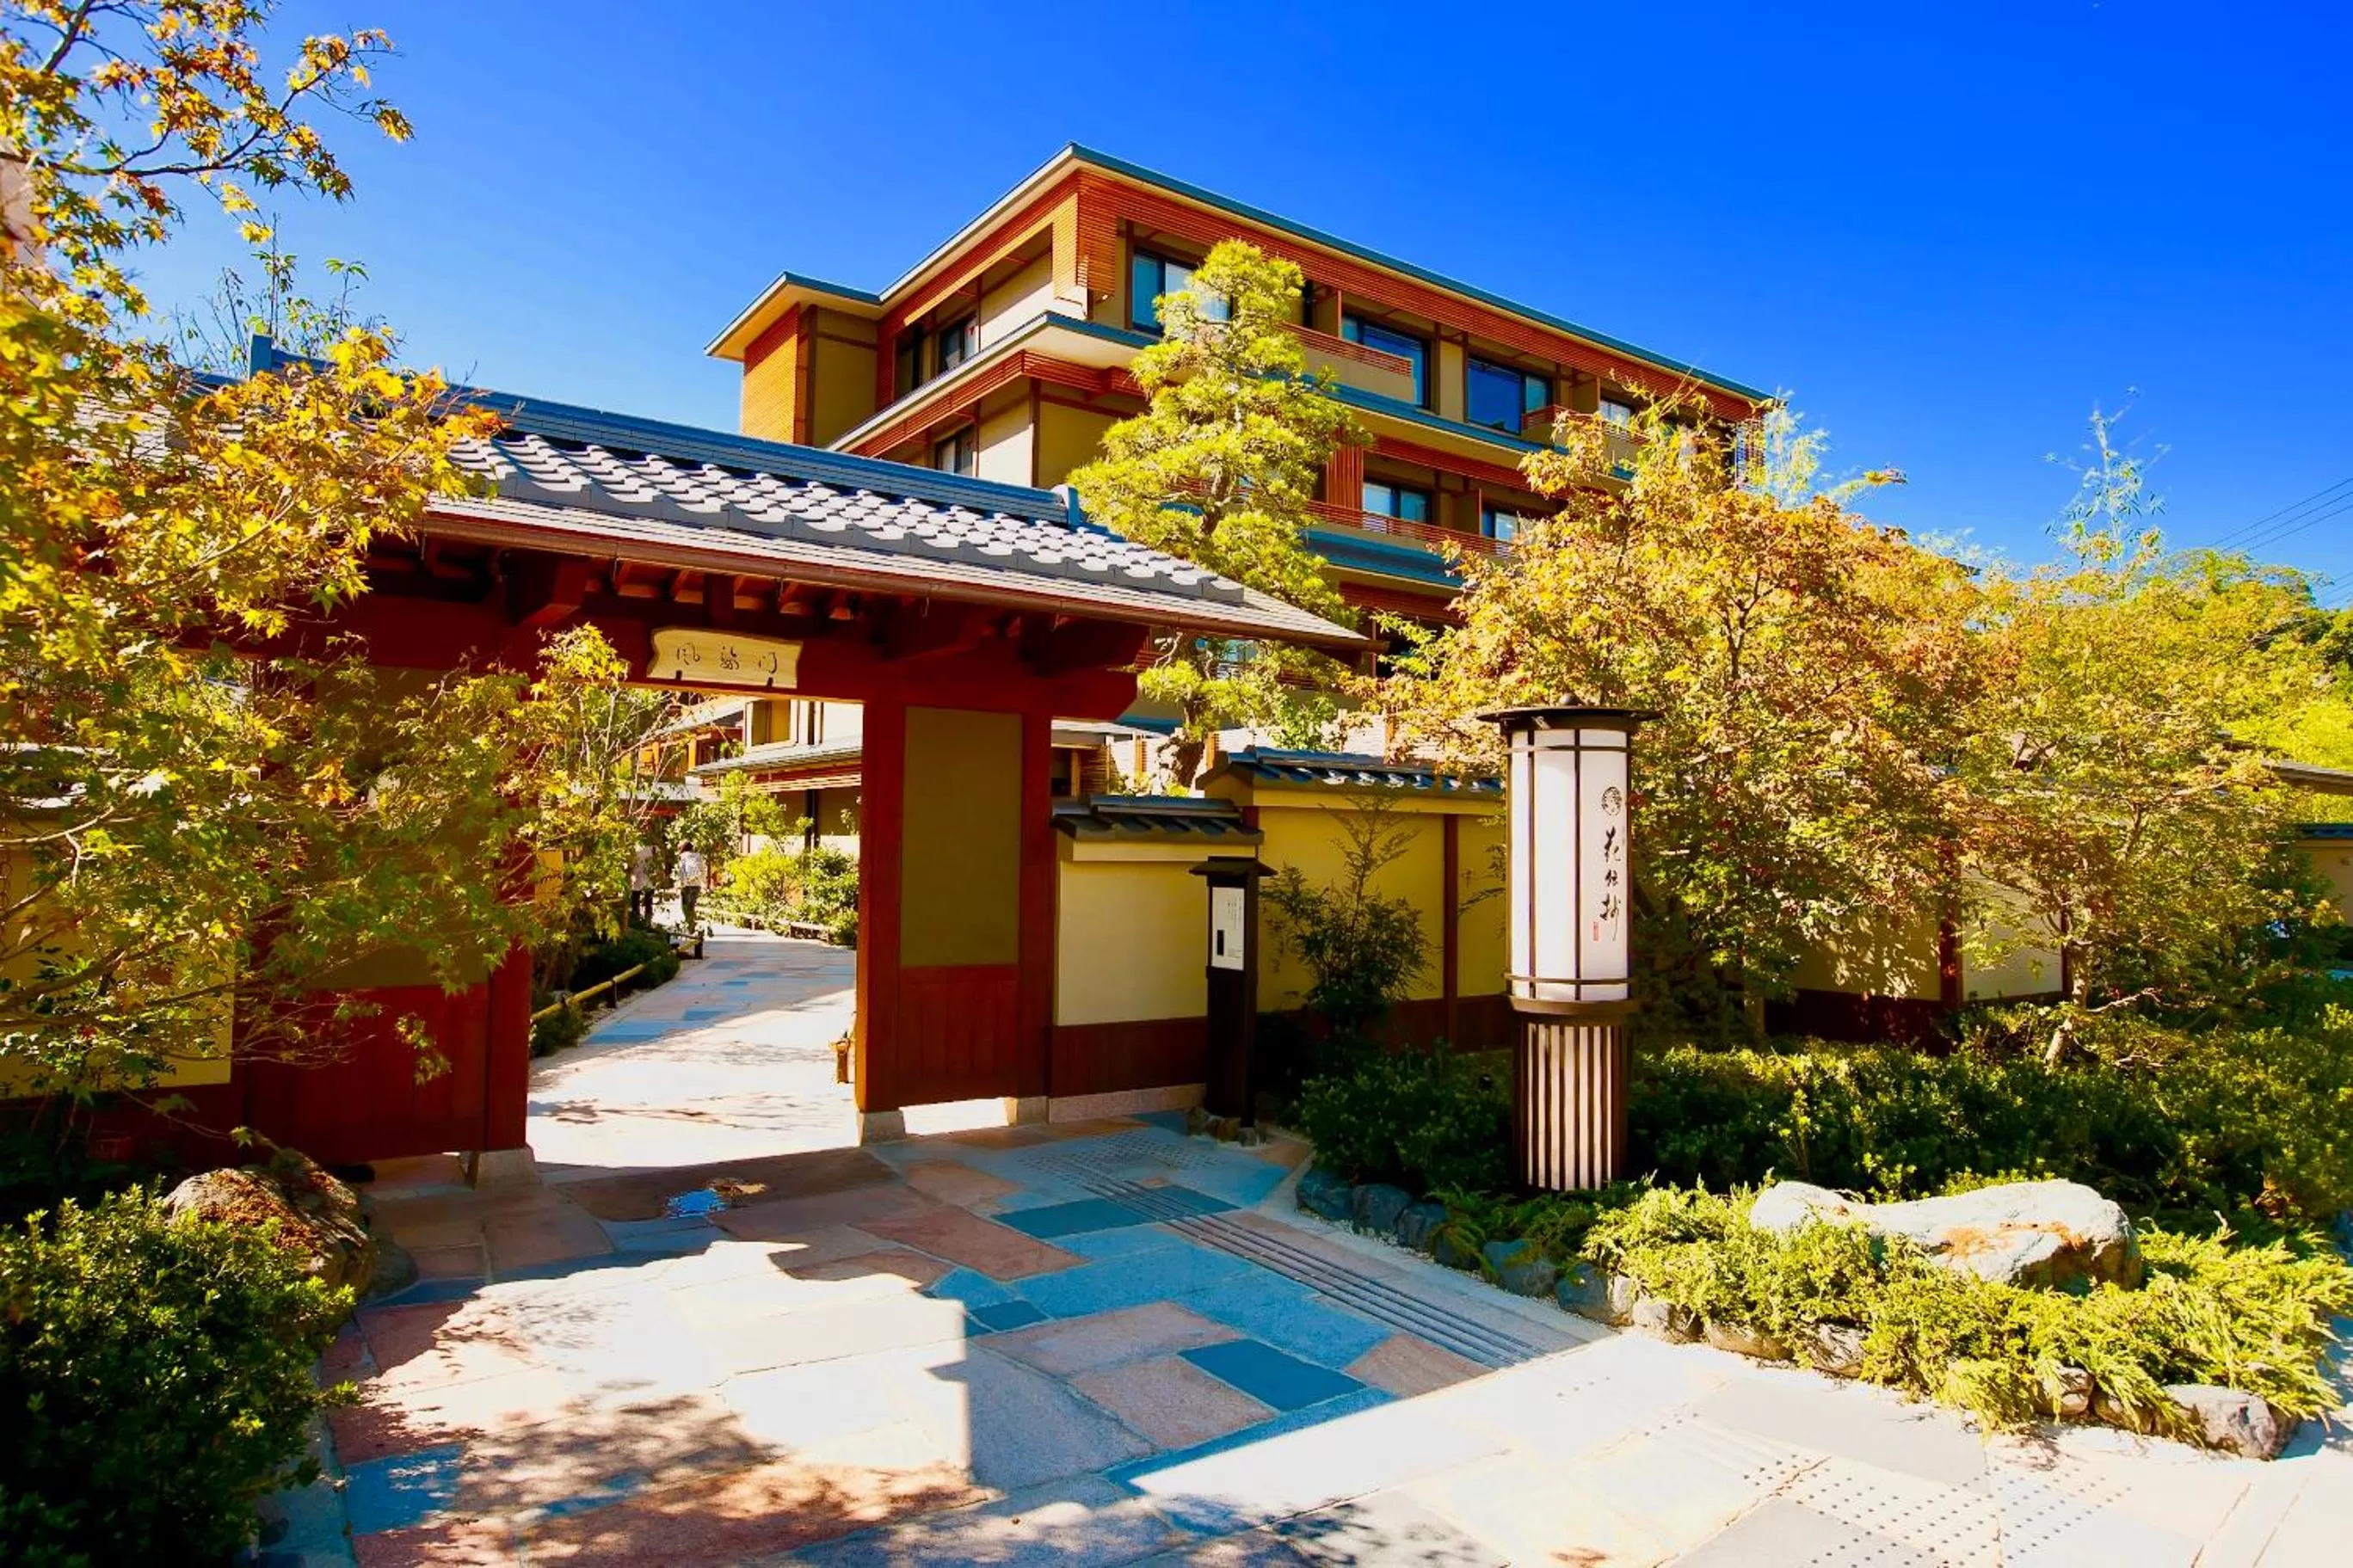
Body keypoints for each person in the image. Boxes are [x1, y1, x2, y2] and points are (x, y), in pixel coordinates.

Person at [673, 844, 709, 931]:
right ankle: (691, 924)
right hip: (697, 885)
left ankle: (690, 924)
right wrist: (703, 882)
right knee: (692, 906)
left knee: (685, 906)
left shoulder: (683, 856)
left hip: (687, 885)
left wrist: (682, 882)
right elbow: (703, 870)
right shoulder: (698, 856)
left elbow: (682, 871)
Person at [627, 840, 656, 925]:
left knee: (635, 900)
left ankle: (636, 920)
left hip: (637, 878)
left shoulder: (634, 848)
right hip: (648, 879)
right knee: (648, 902)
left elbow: (630, 865)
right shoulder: (654, 848)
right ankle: (647, 923)